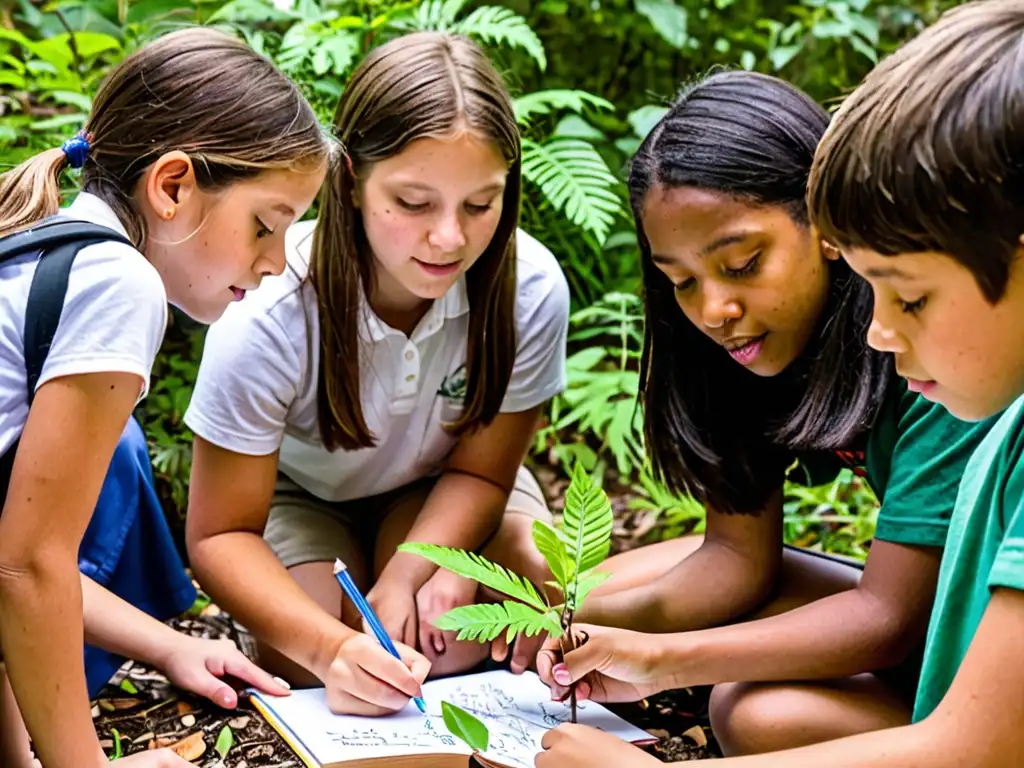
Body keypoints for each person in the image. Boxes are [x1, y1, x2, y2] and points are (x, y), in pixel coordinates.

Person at [536, 1, 1024, 765]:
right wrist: (595, 628)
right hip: (937, 644)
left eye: (739, 265)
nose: (713, 309)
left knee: (760, 712)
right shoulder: (748, 344)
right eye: (680, 283)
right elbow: (735, 556)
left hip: (936, 647)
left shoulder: (968, 385)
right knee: (609, 578)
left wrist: (669, 659)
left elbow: (914, 649)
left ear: (824, 230)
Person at [183, 30, 569, 715]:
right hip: (300, 498)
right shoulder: (270, 307)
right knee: (310, 658)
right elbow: (219, 533)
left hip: (442, 487)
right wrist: (330, 650)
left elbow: (483, 472)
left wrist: (418, 570)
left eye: (481, 205)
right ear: (353, 179)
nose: (449, 237)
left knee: (459, 634)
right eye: (414, 203)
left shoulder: (528, 289)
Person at [0, 27, 329, 767]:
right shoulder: (120, 282)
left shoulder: (48, 244)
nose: (278, 261)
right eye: (266, 224)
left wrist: (169, 648)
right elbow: (27, 567)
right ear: (174, 186)